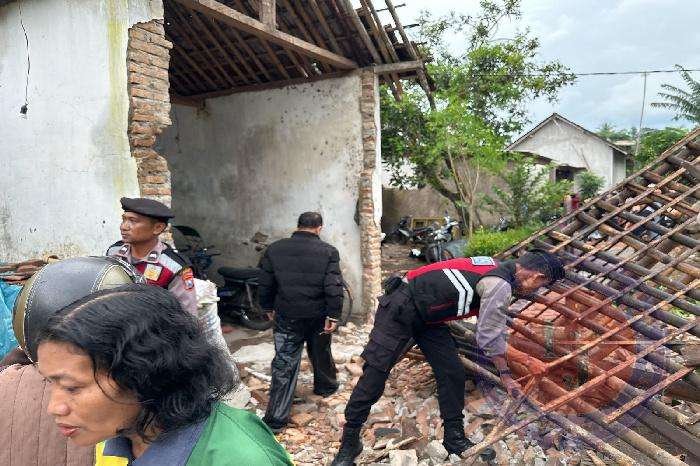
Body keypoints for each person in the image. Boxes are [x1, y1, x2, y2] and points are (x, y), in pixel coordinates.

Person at [331, 250, 565, 466]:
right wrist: (527, 360)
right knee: (375, 373)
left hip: (430, 318)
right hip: (400, 307)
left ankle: (454, 438)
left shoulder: (498, 268)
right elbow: (489, 338)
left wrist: (505, 374)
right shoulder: (499, 284)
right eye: (541, 285)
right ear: (537, 277)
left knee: (452, 372)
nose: (536, 292)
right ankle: (349, 443)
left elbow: (490, 333)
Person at [35, 284, 293, 465]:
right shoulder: (120, 436)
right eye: (50, 384)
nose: (54, 408)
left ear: (142, 375)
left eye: (72, 388)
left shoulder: (239, 458)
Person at [259, 212, 344, 432]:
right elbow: (334, 287)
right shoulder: (328, 251)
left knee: (284, 361)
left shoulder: (275, 249)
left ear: (298, 226)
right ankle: (326, 387)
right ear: (319, 228)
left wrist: (267, 307)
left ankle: (276, 419)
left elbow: (265, 282)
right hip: (318, 315)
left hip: (287, 314)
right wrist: (333, 315)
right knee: (321, 350)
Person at [107, 197, 197, 315]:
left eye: (133, 221)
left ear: (157, 228)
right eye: (124, 219)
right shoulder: (114, 252)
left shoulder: (173, 267)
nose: (123, 227)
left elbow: (187, 315)